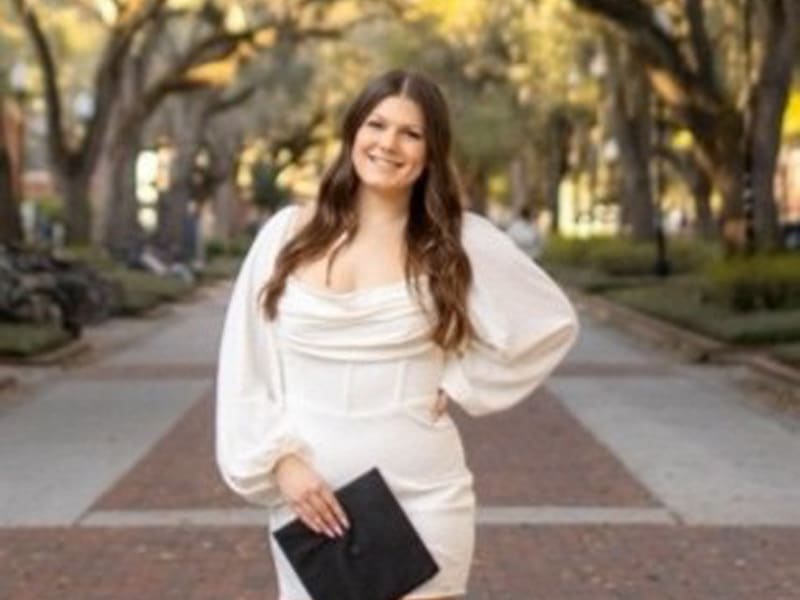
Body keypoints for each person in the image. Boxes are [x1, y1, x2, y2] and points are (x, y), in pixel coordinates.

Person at [215, 69, 580, 600]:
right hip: (313, 504)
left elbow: (549, 322)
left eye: (411, 133)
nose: (389, 143)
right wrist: (280, 465)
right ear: (352, 133)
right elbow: (244, 366)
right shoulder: (286, 235)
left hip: (425, 498)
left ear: (431, 152)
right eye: (377, 124)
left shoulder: (456, 242)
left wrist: (461, 381)